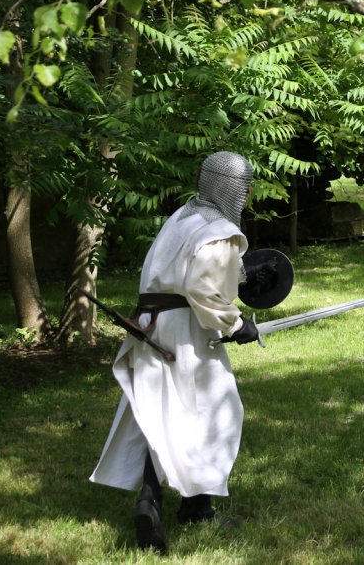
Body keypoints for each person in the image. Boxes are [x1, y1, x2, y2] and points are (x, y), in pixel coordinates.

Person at [89, 151, 261, 553]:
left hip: (151, 324)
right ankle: (194, 509)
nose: (248, 195)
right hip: (185, 329)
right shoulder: (219, 230)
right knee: (215, 410)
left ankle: (155, 503)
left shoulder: (182, 217)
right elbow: (203, 289)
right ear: (237, 189)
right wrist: (236, 325)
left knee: (163, 412)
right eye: (246, 188)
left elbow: (180, 273)